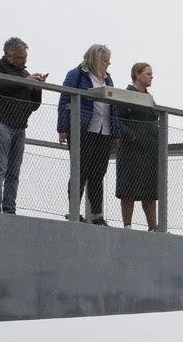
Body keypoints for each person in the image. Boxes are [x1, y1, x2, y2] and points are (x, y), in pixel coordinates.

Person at [0, 37, 46, 214]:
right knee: (0, 166)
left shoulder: (25, 75)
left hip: (20, 126)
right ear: (9, 56)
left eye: (25, 57)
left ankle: (9, 207)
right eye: (20, 57)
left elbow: (34, 105)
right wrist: (27, 83)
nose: (24, 61)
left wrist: (36, 88)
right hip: (0, 122)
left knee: (14, 171)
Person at [57, 44, 118, 225]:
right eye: (105, 60)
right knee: (80, 171)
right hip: (83, 128)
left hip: (104, 130)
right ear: (96, 59)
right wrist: (63, 128)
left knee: (98, 173)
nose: (108, 64)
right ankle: (75, 211)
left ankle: (97, 215)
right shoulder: (77, 75)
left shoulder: (108, 79)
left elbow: (112, 105)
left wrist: (115, 132)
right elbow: (65, 100)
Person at [115, 62, 161, 230]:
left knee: (150, 188)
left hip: (150, 149)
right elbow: (118, 119)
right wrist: (132, 136)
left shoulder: (149, 98)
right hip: (131, 150)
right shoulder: (127, 94)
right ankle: (127, 225)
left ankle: (153, 227)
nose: (151, 77)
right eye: (148, 74)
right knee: (128, 186)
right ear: (138, 74)